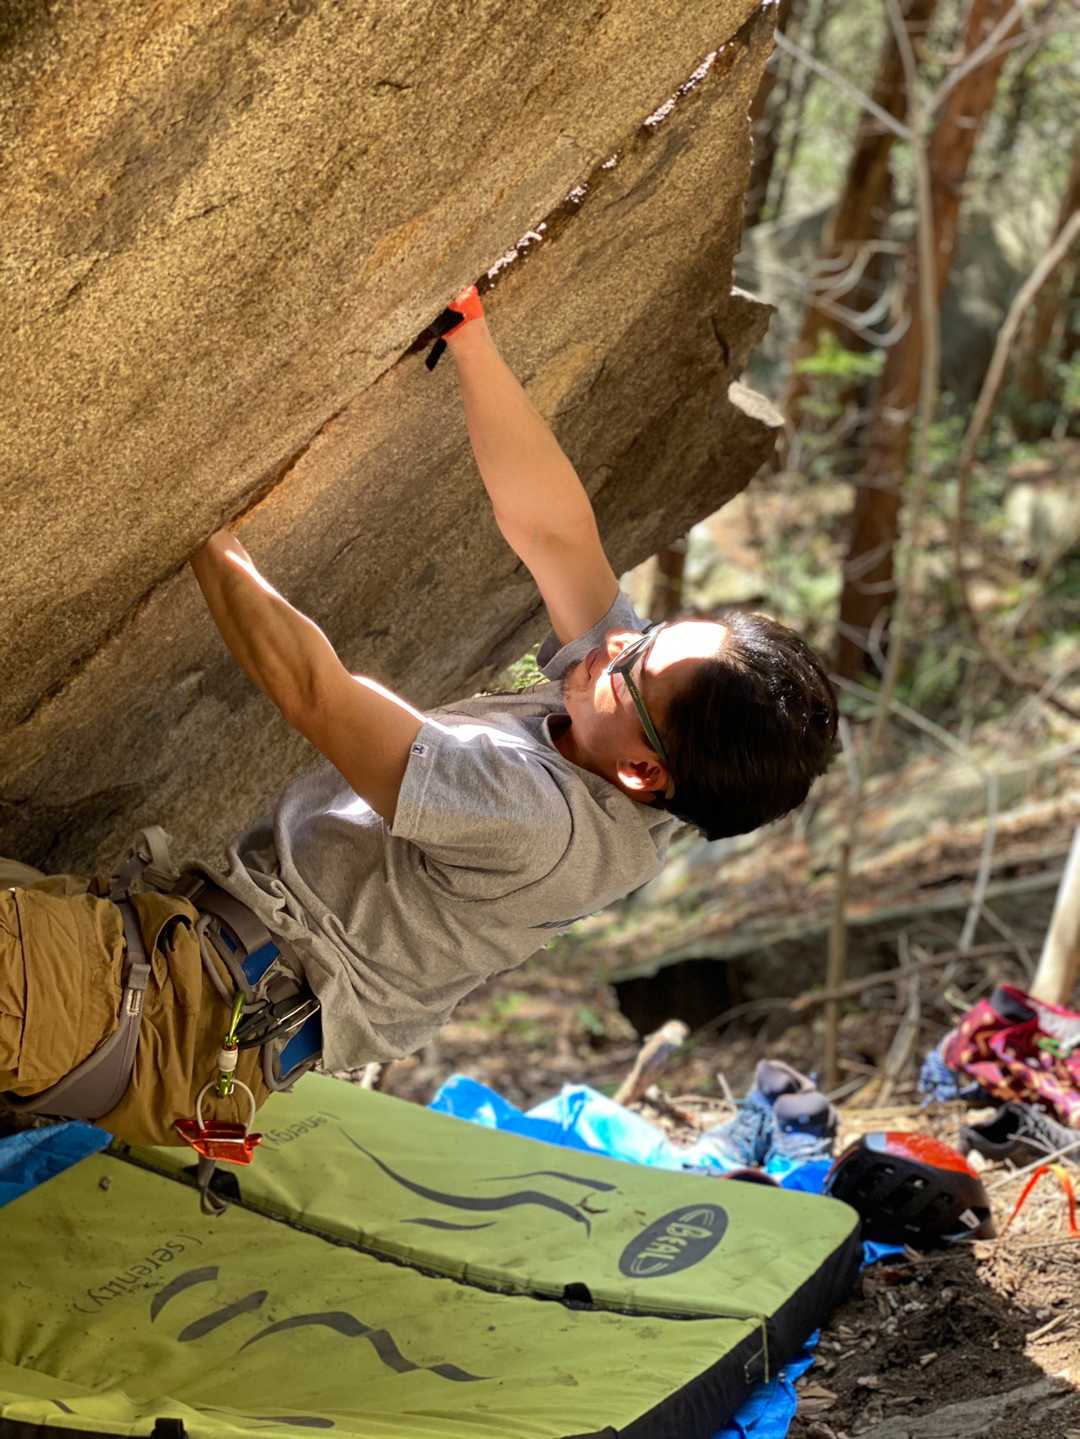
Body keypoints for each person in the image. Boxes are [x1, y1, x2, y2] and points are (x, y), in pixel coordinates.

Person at [1, 288, 838, 1151]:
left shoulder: (536, 822)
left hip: (172, 1015)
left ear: (644, 772)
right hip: (158, 959)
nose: (620, 639)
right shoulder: (626, 732)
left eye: (639, 663)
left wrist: (195, 508)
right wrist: (473, 340)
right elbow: (554, 531)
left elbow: (316, 694)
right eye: (655, 629)